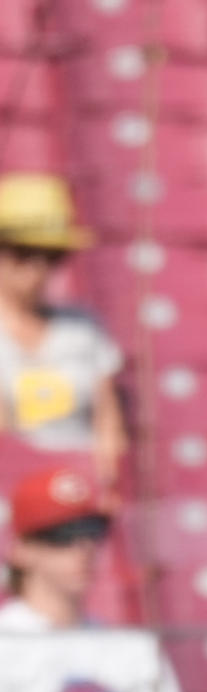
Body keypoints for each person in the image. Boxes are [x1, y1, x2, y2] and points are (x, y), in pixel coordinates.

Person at [0, 464, 192, 692]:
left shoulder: (134, 648)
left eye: (93, 532)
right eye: (62, 536)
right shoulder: (6, 640)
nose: (83, 548)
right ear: (22, 550)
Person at [0, 173, 127, 486]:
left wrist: (105, 483)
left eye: (52, 257)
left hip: (81, 493)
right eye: (24, 253)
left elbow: (108, 425)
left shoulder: (84, 328)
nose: (38, 269)